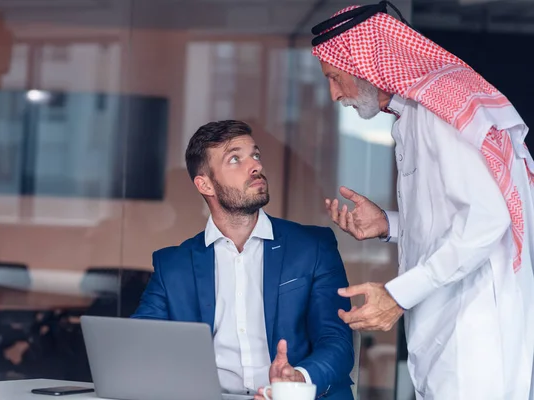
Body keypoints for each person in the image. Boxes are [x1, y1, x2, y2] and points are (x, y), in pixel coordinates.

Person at [310, 2, 534, 399]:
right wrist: (389, 225)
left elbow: (487, 220)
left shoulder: (436, 111)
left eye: (334, 77)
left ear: (365, 64)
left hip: (472, 339)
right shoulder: (413, 115)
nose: (333, 94)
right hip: (445, 337)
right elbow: (450, 217)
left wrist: (397, 295)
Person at [132, 120, 354, 399]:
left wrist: (299, 379)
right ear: (205, 184)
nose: (256, 166)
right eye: (235, 159)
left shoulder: (313, 247)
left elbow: (337, 342)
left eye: (256, 155)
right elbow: (139, 343)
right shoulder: (173, 266)